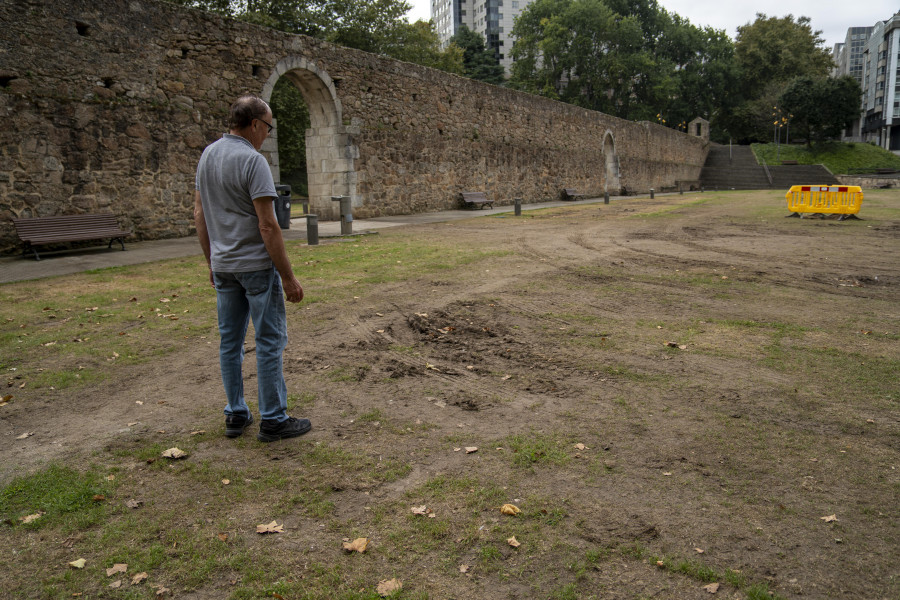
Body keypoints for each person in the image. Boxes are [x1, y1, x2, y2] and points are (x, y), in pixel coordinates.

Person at [194, 94, 311, 442]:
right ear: (257, 124)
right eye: (269, 127)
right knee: (269, 340)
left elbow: (199, 215)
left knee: (229, 342)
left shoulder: (207, 156)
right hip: (256, 267)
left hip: (224, 266)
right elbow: (268, 225)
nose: (267, 135)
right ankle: (273, 418)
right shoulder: (252, 160)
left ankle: (235, 413)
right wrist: (288, 276)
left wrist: (211, 261)